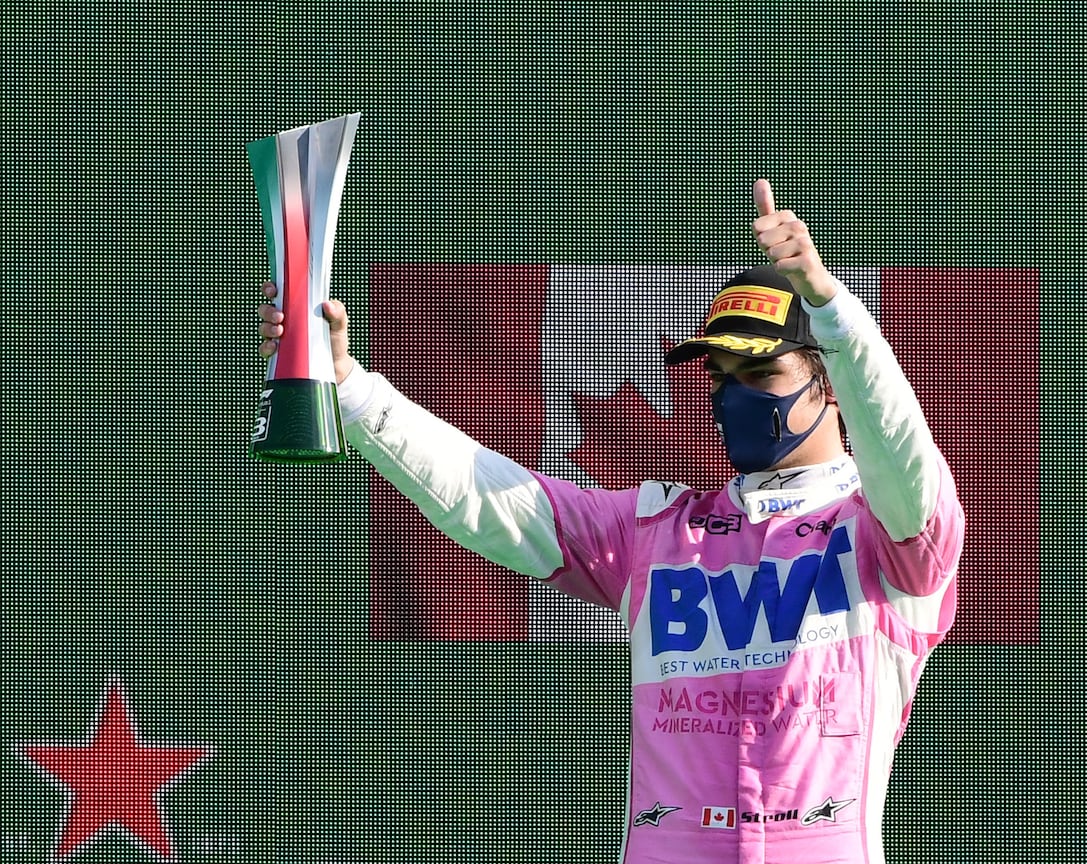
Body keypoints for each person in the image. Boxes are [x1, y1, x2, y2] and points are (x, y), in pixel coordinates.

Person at [258, 179, 964, 864]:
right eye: (718, 377)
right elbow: (488, 496)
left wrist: (834, 311)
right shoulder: (659, 530)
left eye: (757, 374)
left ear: (830, 381)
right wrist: (351, 388)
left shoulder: (890, 535)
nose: (730, 395)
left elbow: (900, 450)